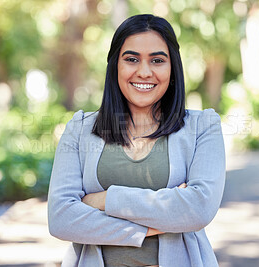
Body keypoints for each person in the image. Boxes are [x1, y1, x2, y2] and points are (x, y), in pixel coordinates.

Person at [48, 14, 226, 267]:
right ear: (115, 66)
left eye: (157, 60)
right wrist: (149, 228)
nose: (144, 72)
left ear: (172, 68)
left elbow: (197, 209)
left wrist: (104, 200)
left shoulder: (203, 127)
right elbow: (61, 218)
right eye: (131, 59)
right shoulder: (80, 129)